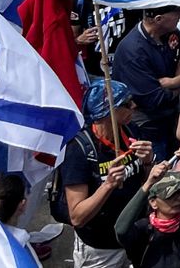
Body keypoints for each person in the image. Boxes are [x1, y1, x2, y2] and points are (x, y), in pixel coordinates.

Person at [60, 81, 152, 268]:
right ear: (106, 112)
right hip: (101, 249)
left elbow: (146, 183)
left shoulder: (131, 130)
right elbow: (77, 216)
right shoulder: (79, 150)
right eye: (126, 104)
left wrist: (149, 162)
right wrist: (108, 184)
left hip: (133, 237)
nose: (133, 106)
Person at [111, 5, 180, 157]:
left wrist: (176, 80)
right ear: (158, 19)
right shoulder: (133, 51)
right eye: (176, 13)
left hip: (173, 118)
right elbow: (155, 99)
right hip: (148, 127)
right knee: (158, 171)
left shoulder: (171, 33)